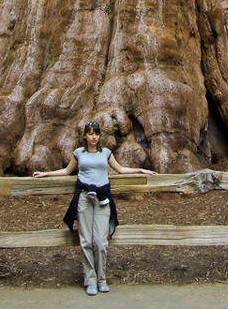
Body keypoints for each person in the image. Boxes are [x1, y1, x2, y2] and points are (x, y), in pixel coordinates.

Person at [33, 121, 156, 295]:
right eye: (90, 133)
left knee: (100, 241)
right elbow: (67, 171)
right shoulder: (79, 153)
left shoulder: (105, 153)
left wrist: (141, 170)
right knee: (86, 241)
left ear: (99, 136)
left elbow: (120, 169)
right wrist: (46, 173)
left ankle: (101, 278)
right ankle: (90, 280)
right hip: (84, 198)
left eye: (96, 134)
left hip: (102, 199)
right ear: (85, 136)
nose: (93, 136)